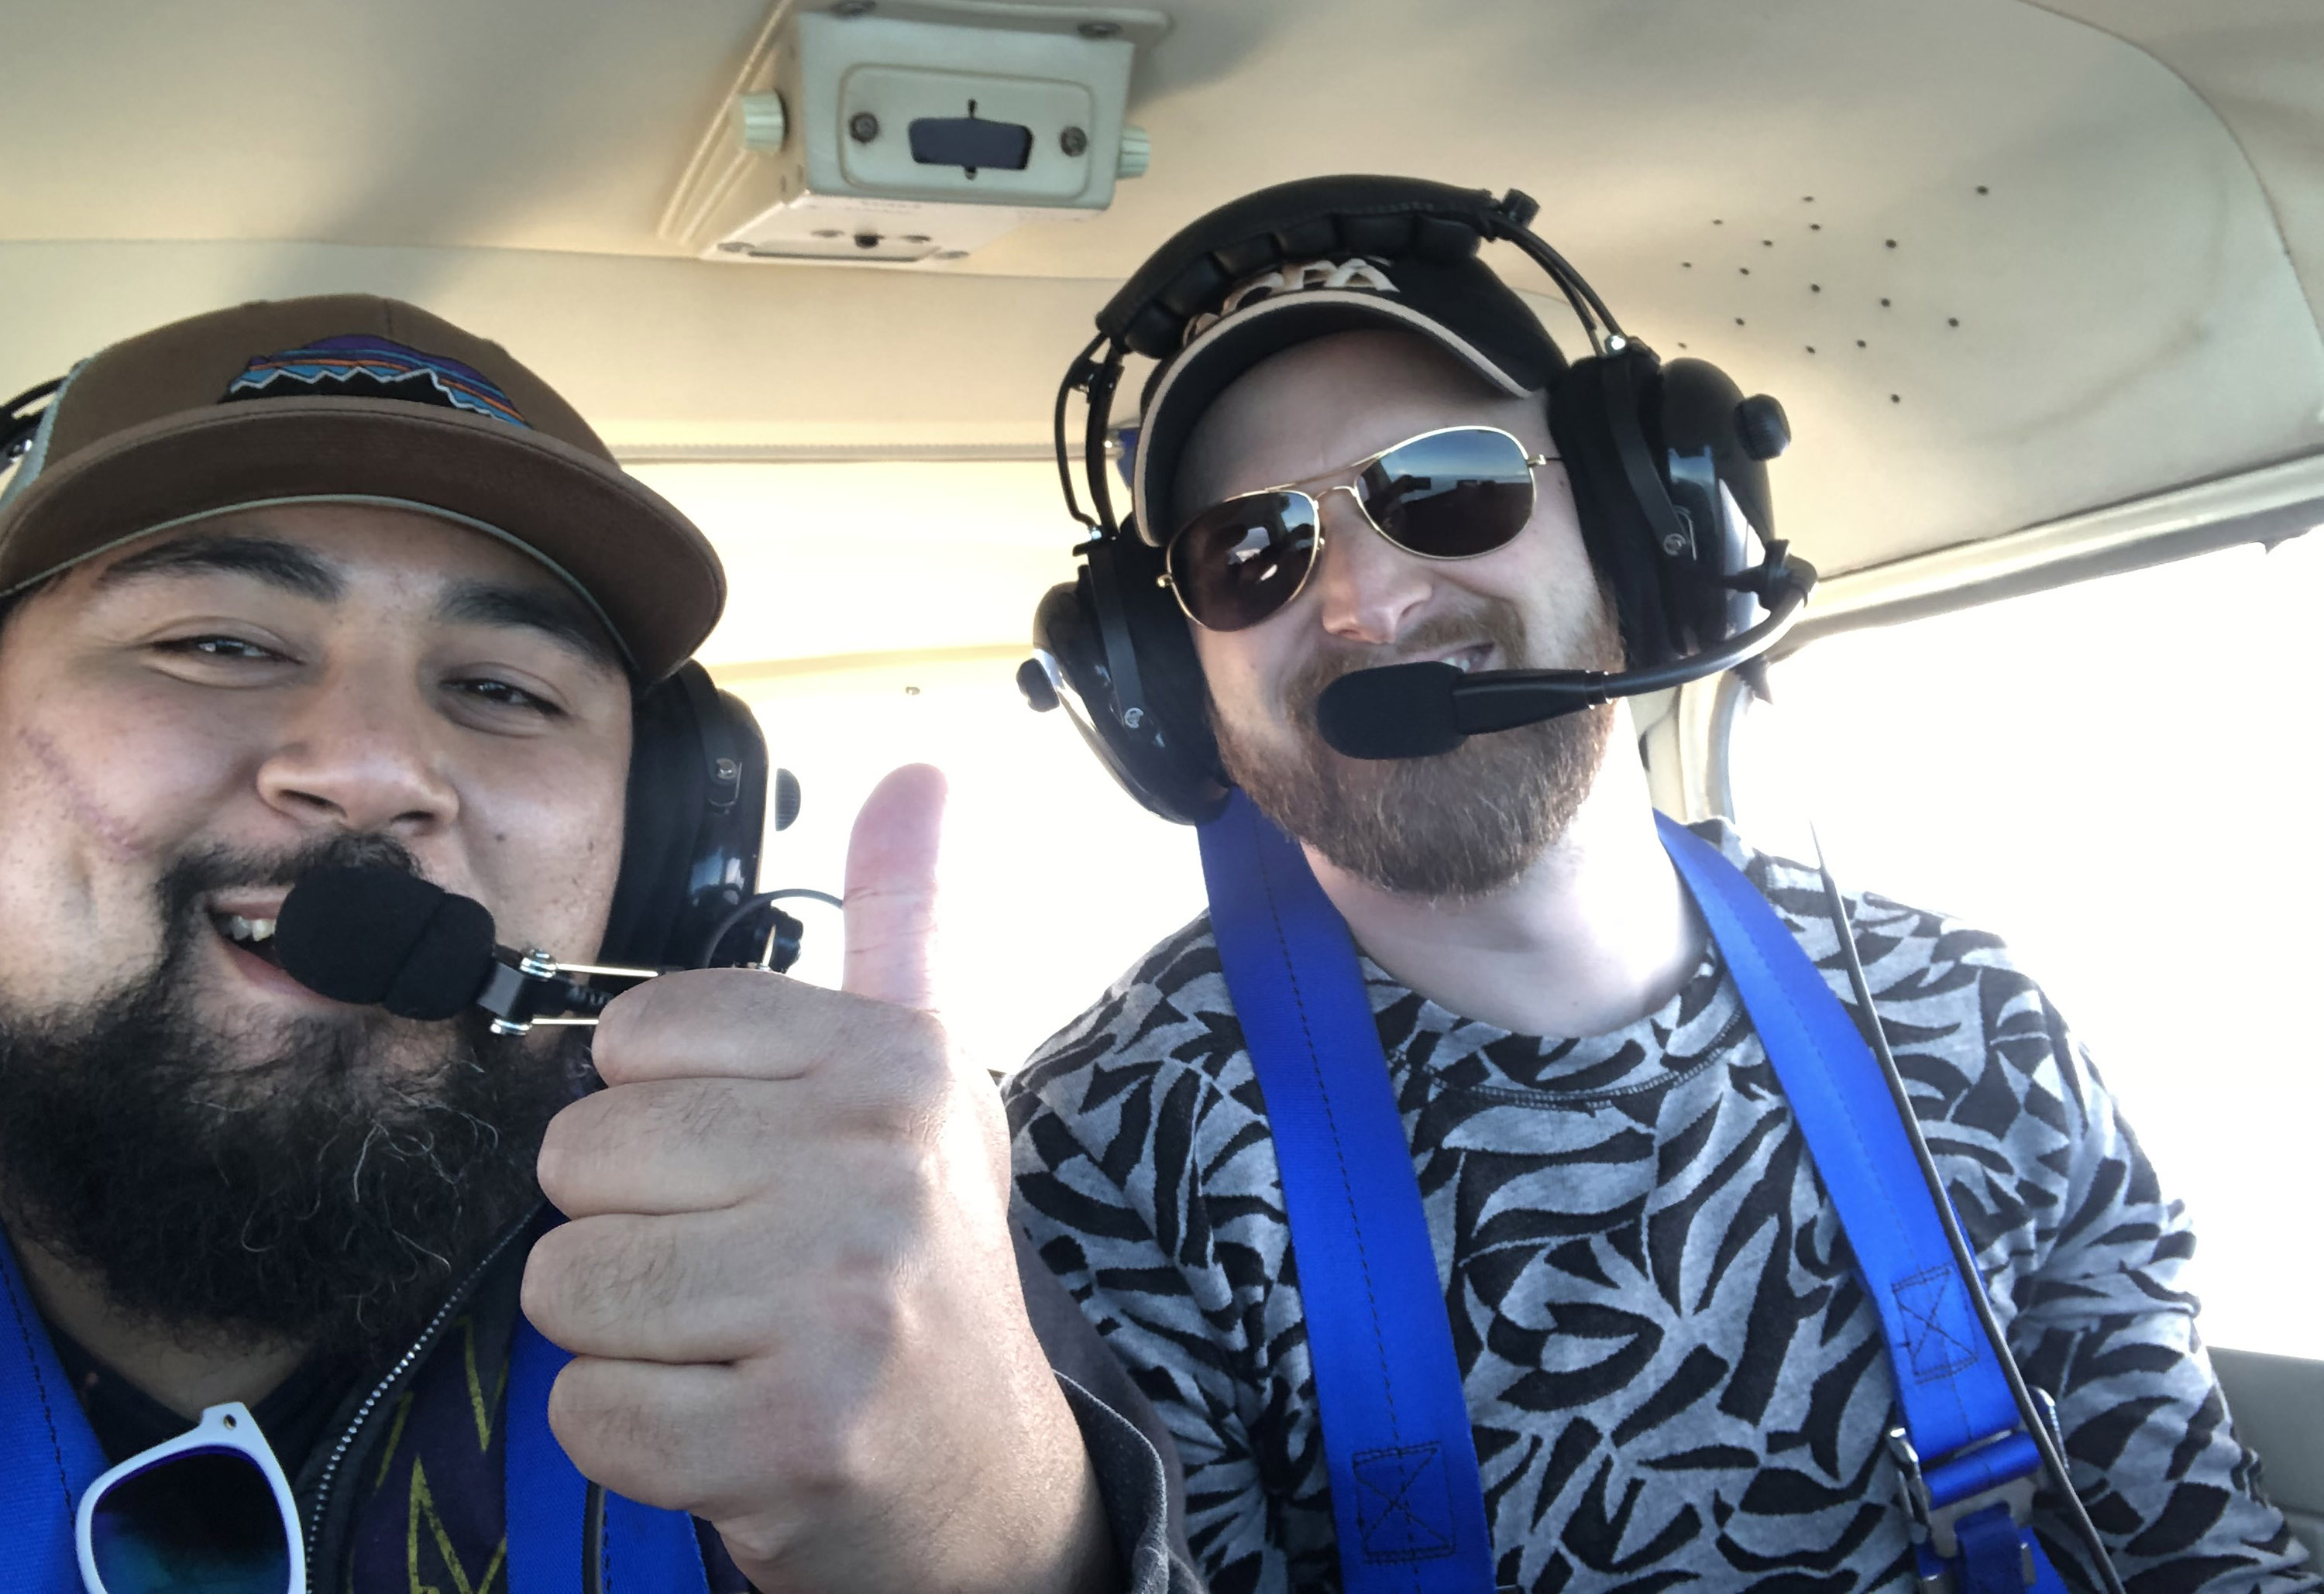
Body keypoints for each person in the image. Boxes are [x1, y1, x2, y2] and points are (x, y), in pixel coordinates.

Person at [1005, 177, 2319, 1592]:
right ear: (1163, 675)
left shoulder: (1970, 1021)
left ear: (1647, 523)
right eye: (1252, 551)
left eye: (1446, 485)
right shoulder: (1105, 1165)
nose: (1365, 602)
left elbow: (2198, 1544)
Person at [0, 295, 1193, 1592]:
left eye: (503, 688)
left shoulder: (855, 1239)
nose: (376, 766)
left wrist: (1002, 1540)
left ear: (662, 837)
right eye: (216, 642)